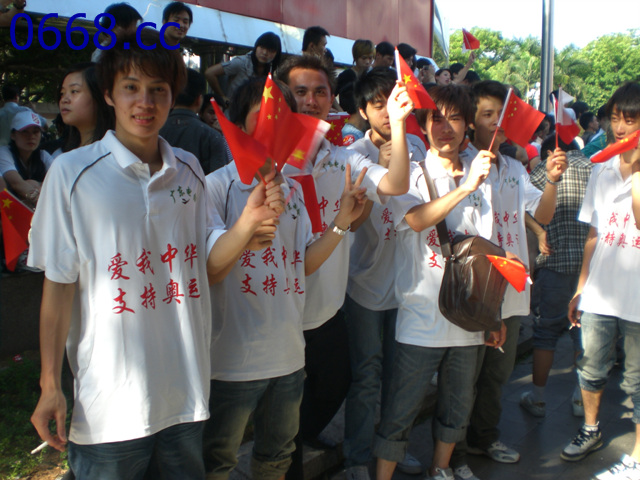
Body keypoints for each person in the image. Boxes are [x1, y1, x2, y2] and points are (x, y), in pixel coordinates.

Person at [27, 37, 285, 480]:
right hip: (109, 409)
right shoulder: (71, 174)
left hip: (184, 396)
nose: (145, 102)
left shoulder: (189, 169)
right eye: (131, 87)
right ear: (109, 94)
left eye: (158, 90)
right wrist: (50, 384)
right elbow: (59, 285)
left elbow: (207, 266)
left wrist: (246, 224)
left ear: (172, 96)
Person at [203, 75, 368, 480]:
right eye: (261, 117)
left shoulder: (294, 188)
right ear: (239, 125)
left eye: (281, 119)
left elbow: (303, 262)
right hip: (232, 362)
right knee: (216, 461)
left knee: (277, 456)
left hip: (290, 357)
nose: (272, 127)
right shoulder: (216, 187)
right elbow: (209, 268)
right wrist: (244, 232)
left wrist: (342, 221)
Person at [277, 53, 414, 480]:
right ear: (282, 97)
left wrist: (399, 123)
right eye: (300, 91)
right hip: (277, 314)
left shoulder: (344, 159)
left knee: (334, 387)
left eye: (320, 91)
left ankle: (298, 439)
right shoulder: (266, 161)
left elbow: (395, 184)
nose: (311, 100)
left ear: (332, 98)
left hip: (327, 311)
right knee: (281, 421)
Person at [373, 84, 503, 480]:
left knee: (458, 404)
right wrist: (465, 188)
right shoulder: (412, 173)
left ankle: (440, 469)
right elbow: (415, 220)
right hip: (421, 314)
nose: (446, 128)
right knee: (401, 408)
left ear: (467, 126)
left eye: (455, 119)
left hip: (468, 314)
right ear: (424, 124)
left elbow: (488, 248)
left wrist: (493, 314)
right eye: (437, 118)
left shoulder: (483, 175)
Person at [450, 80, 567, 477]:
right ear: (471, 122)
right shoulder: (461, 165)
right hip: (477, 287)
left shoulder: (515, 168)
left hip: (513, 288)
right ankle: (454, 454)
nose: (496, 124)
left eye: (501, 115)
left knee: (497, 374)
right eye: (487, 115)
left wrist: (552, 180)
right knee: (465, 378)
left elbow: (542, 215)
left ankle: (484, 437)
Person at [343, 67, 427, 480]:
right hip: (364, 283)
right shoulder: (353, 152)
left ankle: (393, 448)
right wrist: (381, 163)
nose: (387, 111)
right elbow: (356, 216)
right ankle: (357, 458)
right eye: (377, 105)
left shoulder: (416, 145)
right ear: (363, 111)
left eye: (392, 103)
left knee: (400, 376)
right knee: (366, 375)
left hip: (409, 283)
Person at [561, 82, 640, 480]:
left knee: (637, 379)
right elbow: (593, 234)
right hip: (600, 294)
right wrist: (581, 287)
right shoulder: (601, 170)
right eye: (616, 118)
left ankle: (637, 456)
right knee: (591, 367)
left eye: (631, 120)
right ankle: (590, 430)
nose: (620, 127)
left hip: (637, 298)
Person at [519, 135, 592, 419]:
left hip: (554, 262)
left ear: (551, 151)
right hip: (588, 268)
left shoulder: (542, 171)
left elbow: (520, 205)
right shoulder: (593, 169)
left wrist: (539, 232)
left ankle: (537, 399)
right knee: (583, 334)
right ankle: (580, 399)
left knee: (546, 333)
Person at [160, 68, 228, 174]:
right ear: (199, 100)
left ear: (171, 97)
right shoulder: (212, 136)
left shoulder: (153, 132)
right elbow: (221, 179)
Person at [205, 32, 282, 107]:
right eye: (262, 47)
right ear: (256, 47)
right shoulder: (241, 62)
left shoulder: (272, 71)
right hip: (232, 111)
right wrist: (222, 96)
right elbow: (209, 73)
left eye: (271, 51)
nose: (265, 53)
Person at [57, 63, 114, 154]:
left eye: (74, 91)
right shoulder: (59, 153)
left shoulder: (117, 153)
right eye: (62, 93)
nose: (64, 100)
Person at [0, 109, 52, 207]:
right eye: (24, 132)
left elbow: (57, 180)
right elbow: (16, 183)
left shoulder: (43, 155)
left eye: (36, 132)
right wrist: (40, 201)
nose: (31, 136)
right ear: (13, 135)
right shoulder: (4, 152)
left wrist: (38, 185)